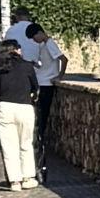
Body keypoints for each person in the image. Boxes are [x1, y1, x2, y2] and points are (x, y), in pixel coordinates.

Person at [0, 40, 41, 191]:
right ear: (17, 50)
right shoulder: (27, 66)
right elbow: (35, 88)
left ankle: (14, 181)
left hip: (5, 107)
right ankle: (28, 177)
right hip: (25, 107)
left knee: (9, 147)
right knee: (26, 143)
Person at [27, 23, 67, 170]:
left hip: (46, 83)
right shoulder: (44, 45)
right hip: (42, 80)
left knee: (43, 113)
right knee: (40, 113)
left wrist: (59, 76)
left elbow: (63, 59)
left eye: (34, 37)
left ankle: (41, 139)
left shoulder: (50, 44)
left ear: (39, 33)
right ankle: (40, 139)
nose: (34, 41)